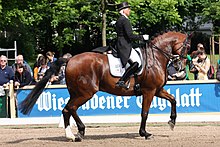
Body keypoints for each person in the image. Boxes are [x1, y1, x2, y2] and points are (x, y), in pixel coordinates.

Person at [115, 1, 149, 88]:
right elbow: (130, 36)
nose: (129, 10)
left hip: (122, 43)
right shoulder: (124, 20)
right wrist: (142, 37)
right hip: (124, 45)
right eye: (128, 9)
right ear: (123, 10)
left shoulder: (119, 20)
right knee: (136, 63)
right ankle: (122, 81)